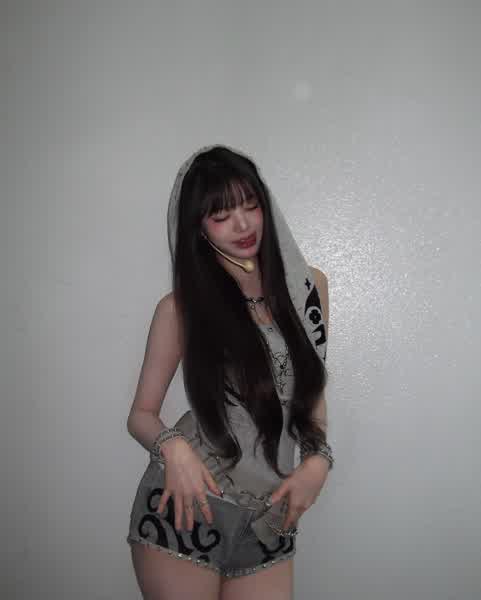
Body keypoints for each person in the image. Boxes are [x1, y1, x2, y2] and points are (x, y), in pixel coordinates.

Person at [125, 144, 333, 599]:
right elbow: (140, 415)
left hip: (269, 517)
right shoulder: (180, 309)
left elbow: (311, 396)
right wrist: (175, 450)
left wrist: (318, 460)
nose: (242, 224)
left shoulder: (309, 289)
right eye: (221, 215)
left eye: (250, 205)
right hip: (187, 505)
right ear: (198, 227)